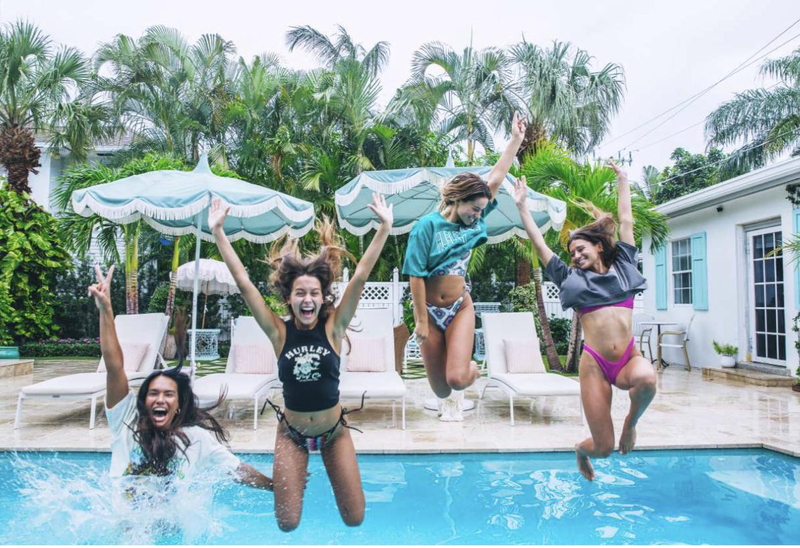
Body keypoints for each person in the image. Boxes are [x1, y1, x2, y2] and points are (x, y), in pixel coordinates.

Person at [211, 194, 393, 531]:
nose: (307, 299)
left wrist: (384, 227)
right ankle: (280, 484)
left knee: (355, 518)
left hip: (334, 433)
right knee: (287, 523)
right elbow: (244, 284)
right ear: (289, 298)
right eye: (300, 293)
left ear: (323, 298)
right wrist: (219, 232)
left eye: (313, 293)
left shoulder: (334, 328)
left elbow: (360, 276)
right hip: (292, 434)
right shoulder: (279, 333)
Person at [512, 162, 657, 481]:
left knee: (648, 379)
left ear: (599, 246)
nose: (575, 256)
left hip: (627, 358)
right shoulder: (571, 279)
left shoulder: (624, 264)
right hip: (595, 366)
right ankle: (581, 450)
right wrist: (522, 207)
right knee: (603, 448)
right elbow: (539, 245)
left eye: (580, 249)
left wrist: (623, 180)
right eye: (572, 253)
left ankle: (630, 424)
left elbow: (626, 220)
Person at [93, 265, 272, 488]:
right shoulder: (126, 421)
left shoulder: (195, 438)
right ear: (144, 401)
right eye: (153, 393)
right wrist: (106, 309)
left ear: (179, 404)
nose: (160, 399)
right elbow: (115, 368)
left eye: (168, 394)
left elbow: (238, 470)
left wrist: (276, 487)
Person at [403, 113, 527, 421]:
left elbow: (495, 178)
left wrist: (515, 140)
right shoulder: (426, 227)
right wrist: (420, 321)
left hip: (460, 306)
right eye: (474, 208)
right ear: (458, 200)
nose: (478, 215)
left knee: (458, 379)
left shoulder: (475, 221)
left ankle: (471, 368)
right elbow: (415, 276)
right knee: (441, 389)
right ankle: (454, 375)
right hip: (429, 312)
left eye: (482, 209)